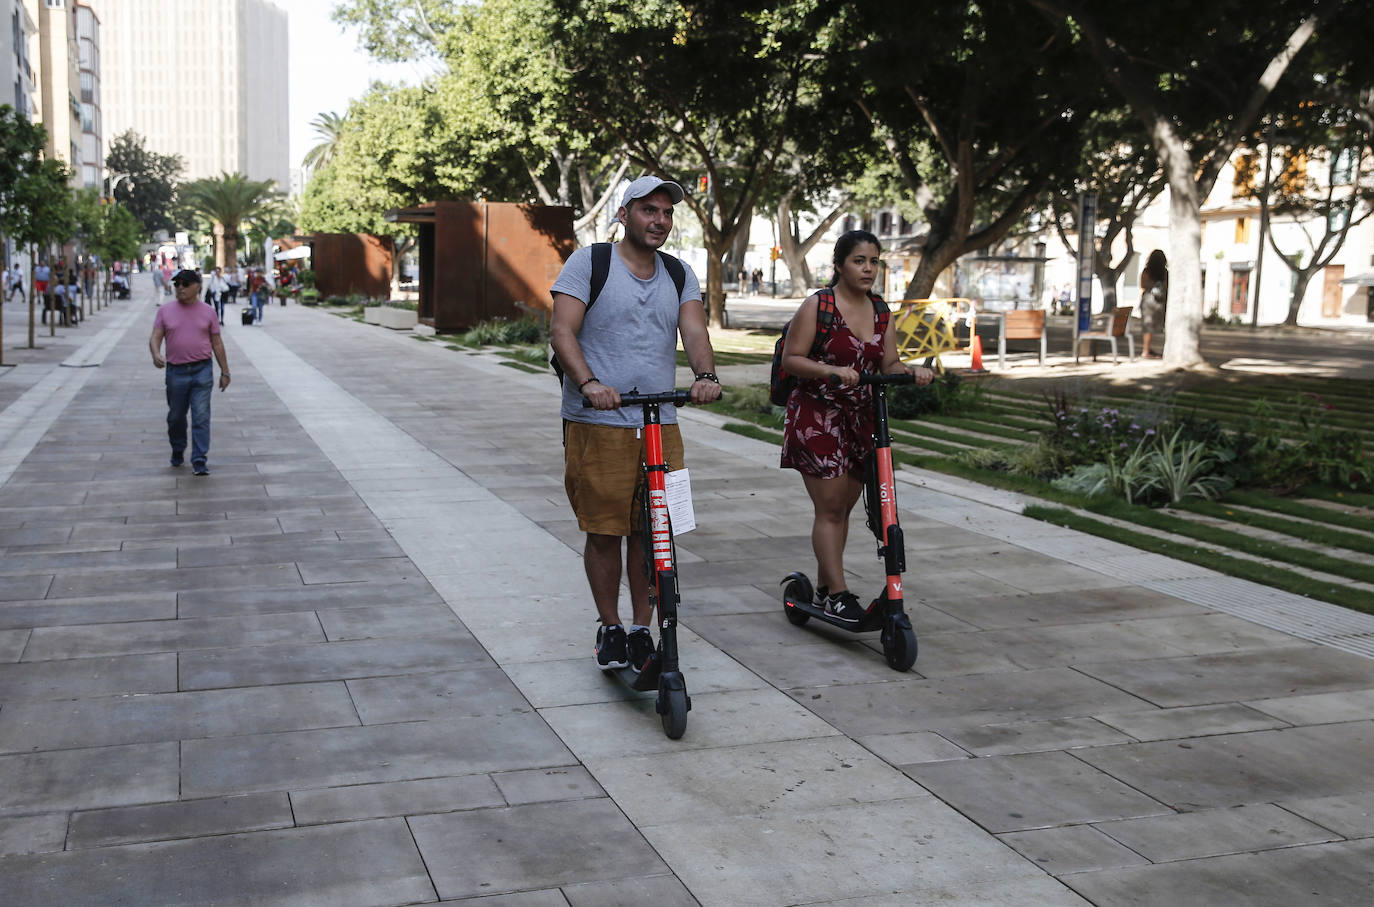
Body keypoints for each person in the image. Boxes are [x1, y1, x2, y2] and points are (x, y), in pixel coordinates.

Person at [549, 175, 722, 672]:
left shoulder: (678, 271)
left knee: (654, 532)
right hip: (598, 421)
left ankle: (642, 630)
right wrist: (589, 384)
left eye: (667, 213)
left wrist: (705, 374)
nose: (660, 221)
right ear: (624, 214)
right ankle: (609, 626)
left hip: (659, 422)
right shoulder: (590, 262)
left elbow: (693, 328)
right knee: (605, 530)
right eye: (649, 210)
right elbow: (563, 331)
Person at [779, 229, 934, 623]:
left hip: (860, 420)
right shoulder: (820, 305)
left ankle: (825, 587)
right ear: (839, 265)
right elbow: (791, 359)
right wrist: (829, 369)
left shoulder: (881, 310)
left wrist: (911, 372)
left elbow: (889, 364)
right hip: (818, 417)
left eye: (873, 262)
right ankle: (840, 593)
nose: (868, 269)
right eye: (859, 261)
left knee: (843, 509)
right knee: (829, 509)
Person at [149, 270, 230, 476]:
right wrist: (156, 353)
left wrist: (225, 371)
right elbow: (156, 336)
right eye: (177, 284)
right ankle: (178, 449)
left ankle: (199, 459)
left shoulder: (208, 312)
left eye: (185, 284)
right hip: (176, 372)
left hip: (202, 370)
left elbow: (217, 343)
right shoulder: (165, 311)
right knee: (176, 416)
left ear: (197, 287)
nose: (180, 288)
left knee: (201, 416)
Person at [1139, 249, 1168, 358]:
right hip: (1160, 301)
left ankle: (1146, 350)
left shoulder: (1147, 271)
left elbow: (1142, 285)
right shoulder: (1164, 272)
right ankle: (1151, 350)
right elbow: (1167, 286)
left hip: (1147, 300)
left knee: (1148, 326)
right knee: (1158, 325)